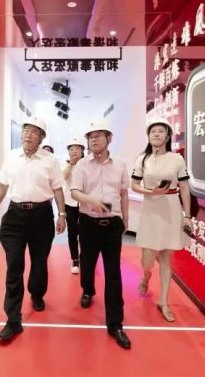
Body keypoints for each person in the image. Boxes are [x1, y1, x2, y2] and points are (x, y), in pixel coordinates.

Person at [0, 116, 67, 342]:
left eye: (34, 132)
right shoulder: (12, 157)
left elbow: (58, 189)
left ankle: (37, 293)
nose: (28, 135)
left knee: (39, 263)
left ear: (41, 138)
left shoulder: (50, 160)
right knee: (14, 266)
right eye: (26, 130)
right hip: (14, 217)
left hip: (42, 217)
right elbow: (2, 185)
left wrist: (62, 215)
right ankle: (13, 320)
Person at [71, 120, 131, 350]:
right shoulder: (82, 165)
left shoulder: (120, 164)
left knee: (113, 273)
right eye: (90, 136)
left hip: (112, 224)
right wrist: (90, 200)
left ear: (109, 138)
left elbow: (123, 193)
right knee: (87, 264)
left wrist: (125, 218)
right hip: (88, 223)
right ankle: (88, 290)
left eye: (98, 135)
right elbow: (74, 192)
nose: (93, 139)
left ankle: (115, 324)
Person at [131, 118, 191, 323]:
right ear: (148, 136)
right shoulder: (142, 159)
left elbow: (184, 187)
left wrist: (187, 216)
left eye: (160, 131)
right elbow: (134, 185)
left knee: (166, 256)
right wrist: (151, 192)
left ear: (167, 136)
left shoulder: (177, 159)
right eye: (153, 131)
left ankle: (163, 301)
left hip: (171, 208)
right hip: (150, 208)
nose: (156, 134)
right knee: (147, 259)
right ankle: (146, 276)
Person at [63, 136, 86, 274]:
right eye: (71, 149)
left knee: (85, 233)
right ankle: (75, 259)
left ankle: (85, 257)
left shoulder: (88, 164)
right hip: (70, 203)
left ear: (82, 151)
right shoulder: (67, 165)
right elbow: (62, 177)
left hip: (84, 204)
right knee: (72, 232)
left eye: (77, 148)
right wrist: (71, 164)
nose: (74, 151)